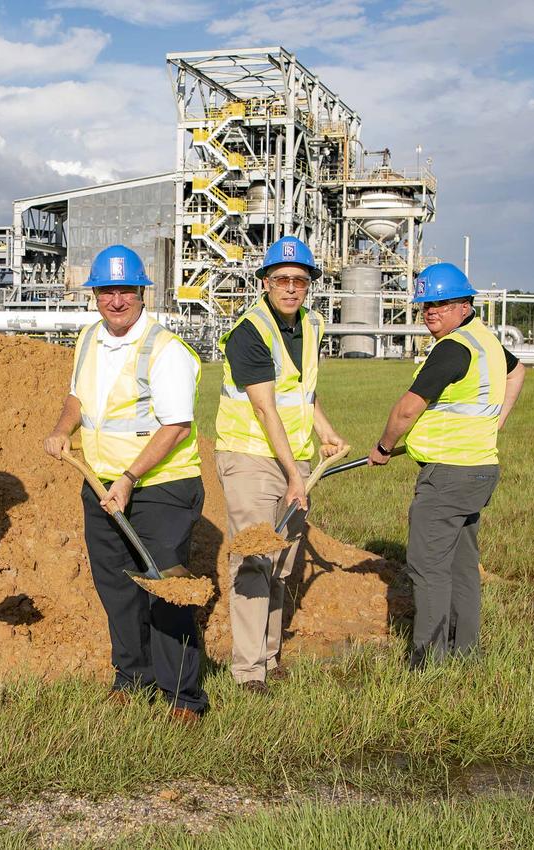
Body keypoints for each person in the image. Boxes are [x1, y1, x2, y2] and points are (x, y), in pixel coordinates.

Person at [43, 245, 208, 723]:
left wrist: (131, 479)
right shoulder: (90, 339)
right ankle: (132, 678)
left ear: (142, 294)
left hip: (160, 488)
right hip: (101, 485)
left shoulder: (167, 351)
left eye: (125, 292)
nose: (116, 301)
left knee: (165, 588)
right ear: (95, 294)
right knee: (116, 586)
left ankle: (183, 697)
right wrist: (62, 429)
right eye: (106, 291)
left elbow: (174, 426)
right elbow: (78, 397)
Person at [368, 262, 525, 668]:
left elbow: (406, 410)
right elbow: (517, 372)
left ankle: (428, 661)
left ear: (465, 305)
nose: (431, 311)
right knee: (461, 565)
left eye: (441, 303)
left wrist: (384, 447)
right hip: (478, 470)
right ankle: (465, 651)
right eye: (425, 305)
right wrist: (495, 421)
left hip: (448, 474)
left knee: (428, 569)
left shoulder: (453, 348)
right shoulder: (485, 341)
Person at [215, 236, 347, 694]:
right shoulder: (249, 332)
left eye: (300, 280)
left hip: (295, 458)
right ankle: (248, 671)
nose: (291, 288)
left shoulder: (312, 325)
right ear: (265, 283)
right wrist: (295, 477)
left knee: (282, 562)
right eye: (282, 280)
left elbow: (301, 392)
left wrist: (324, 430)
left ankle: (269, 658)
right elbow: (265, 409)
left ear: (309, 285)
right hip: (250, 456)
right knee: (254, 558)